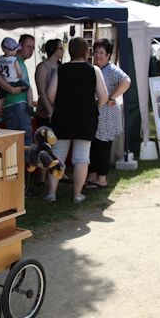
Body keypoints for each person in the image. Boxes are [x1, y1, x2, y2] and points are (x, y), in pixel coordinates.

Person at [44, 37, 108, 203]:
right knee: (81, 158)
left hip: (62, 117)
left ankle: (51, 193)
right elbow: (104, 97)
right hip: (86, 118)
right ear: (86, 51)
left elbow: (50, 95)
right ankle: (77, 194)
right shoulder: (94, 70)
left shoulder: (61, 69)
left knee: (57, 156)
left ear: (69, 52)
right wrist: (94, 108)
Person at [86, 38, 130, 189]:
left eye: (101, 53)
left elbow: (126, 81)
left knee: (103, 147)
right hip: (97, 114)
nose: (98, 55)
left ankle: (101, 179)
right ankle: (92, 176)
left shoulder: (111, 70)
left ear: (108, 55)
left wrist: (112, 97)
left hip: (107, 115)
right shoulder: (96, 68)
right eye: (96, 52)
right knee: (94, 146)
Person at [0, 34, 35, 146]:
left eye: (33, 47)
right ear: (20, 46)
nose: (31, 50)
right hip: (17, 107)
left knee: (20, 144)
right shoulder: (12, 60)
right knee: (24, 144)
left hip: (17, 107)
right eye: (29, 47)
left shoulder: (17, 61)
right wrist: (12, 89)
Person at [0, 37, 29, 118]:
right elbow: (19, 72)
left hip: (4, 82)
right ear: (10, 50)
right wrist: (19, 75)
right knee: (26, 86)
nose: (16, 51)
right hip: (14, 82)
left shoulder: (0, 59)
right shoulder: (14, 60)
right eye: (15, 49)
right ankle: (28, 106)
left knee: (0, 99)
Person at [34, 39, 64, 127]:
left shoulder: (61, 66)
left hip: (58, 113)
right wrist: (51, 113)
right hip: (45, 114)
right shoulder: (42, 67)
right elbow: (42, 92)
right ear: (53, 50)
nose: (63, 51)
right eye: (61, 48)